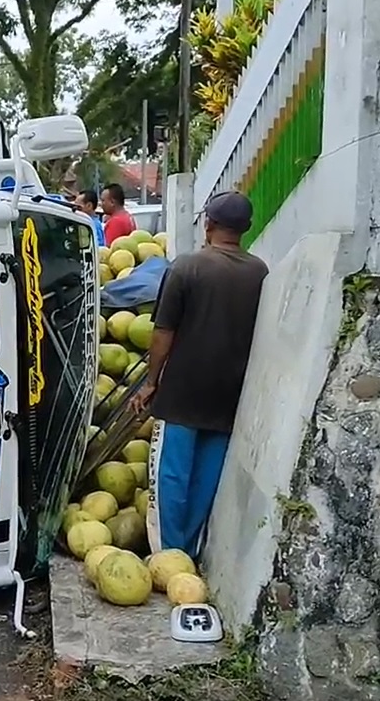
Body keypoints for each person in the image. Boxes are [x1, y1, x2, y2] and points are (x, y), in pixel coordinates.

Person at [130, 191, 268, 559]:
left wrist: (151, 381)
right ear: (246, 228)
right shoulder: (261, 273)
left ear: (208, 224)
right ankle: (187, 552)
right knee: (208, 474)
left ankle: (167, 556)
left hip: (183, 390)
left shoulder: (187, 267)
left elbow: (163, 333)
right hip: (230, 391)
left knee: (172, 473)